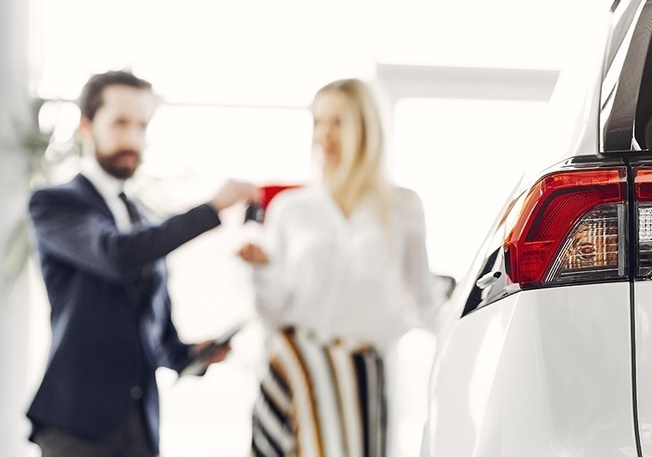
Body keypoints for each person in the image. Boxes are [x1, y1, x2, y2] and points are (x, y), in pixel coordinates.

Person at [25, 70, 262, 457]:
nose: (132, 139)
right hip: (76, 425)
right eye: (120, 123)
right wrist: (211, 209)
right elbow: (116, 254)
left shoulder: (143, 222)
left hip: (140, 426)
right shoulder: (54, 204)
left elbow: (157, 334)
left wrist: (189, 354)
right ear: (86, 125)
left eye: (141, 125)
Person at [238, 78, 436, 457]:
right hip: (297, 370)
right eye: (318, 122)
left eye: (338, 122)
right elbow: (274, 313)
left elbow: (422, 300)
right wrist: (261, 271)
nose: (324, 135)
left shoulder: (403, 206)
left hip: (363, 376)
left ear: (366, 127)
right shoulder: (291, 209)